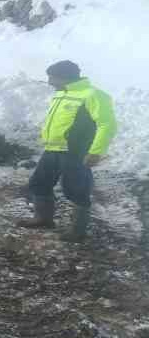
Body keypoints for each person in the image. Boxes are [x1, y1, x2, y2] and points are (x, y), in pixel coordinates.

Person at [17, 60, 117, 242]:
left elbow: (107, 124)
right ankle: (43, 219)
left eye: (52, 77)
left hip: (75, 151)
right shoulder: (61, 94)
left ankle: (78, 231)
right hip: (52, 149)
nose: (49, 82)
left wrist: (95, 152)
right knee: (39, 183)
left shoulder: (92, 95)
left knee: (75, 190)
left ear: (65, 77)